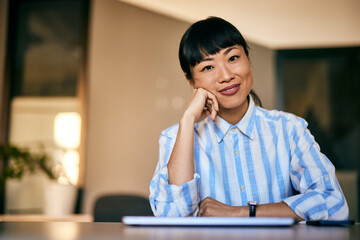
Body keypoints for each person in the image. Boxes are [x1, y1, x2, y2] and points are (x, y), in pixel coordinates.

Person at [149, 17, 348, 221]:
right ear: (191, 80)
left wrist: (241, 213)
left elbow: (333, 204)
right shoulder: (175, 138)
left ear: (248, 60)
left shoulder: (288, 129)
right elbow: (171, 217)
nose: (226, 75)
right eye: (208, 67)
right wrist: (188, 120)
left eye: (233, 58)